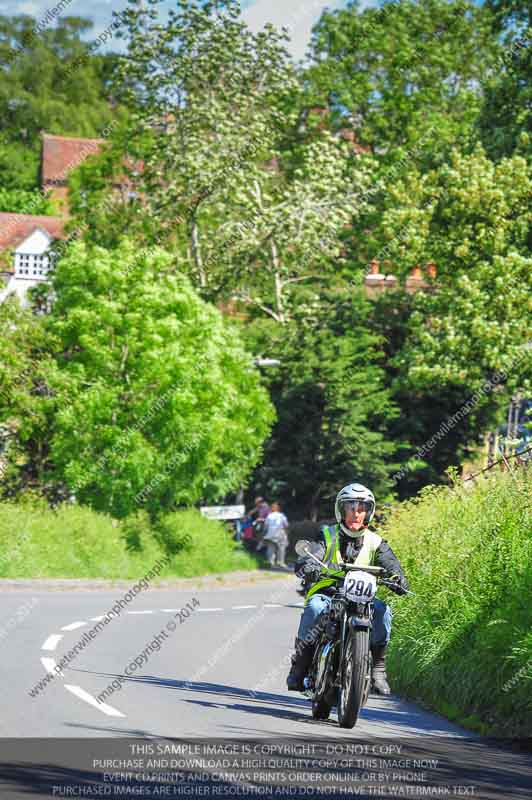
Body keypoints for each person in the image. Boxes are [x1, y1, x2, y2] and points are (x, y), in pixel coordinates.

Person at [286, 482, 408, 696]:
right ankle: (300, 666)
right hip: (328, 593)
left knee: (382, 611)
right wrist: (309, 565)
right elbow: (311, 553)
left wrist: (398, 579)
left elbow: (391, 564)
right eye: (350, 507)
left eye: (361, 508)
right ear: (340, 510)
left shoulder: (376, 541)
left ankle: (378, 669)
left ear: (369, 512)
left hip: (362, 598)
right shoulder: (327, 535)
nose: (355, 513)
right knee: (314, 608)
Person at [262, 502, 289, 568]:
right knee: (281, 548)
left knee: (271, 548)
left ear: (272, 509)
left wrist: (264, 534)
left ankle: (271, 563)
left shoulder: (269, 516)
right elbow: (286, 525)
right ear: (278, 508)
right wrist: (286, 533)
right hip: (280, 532)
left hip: (270, 533)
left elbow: (265, 526)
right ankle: (280, 562)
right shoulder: (281, 515)